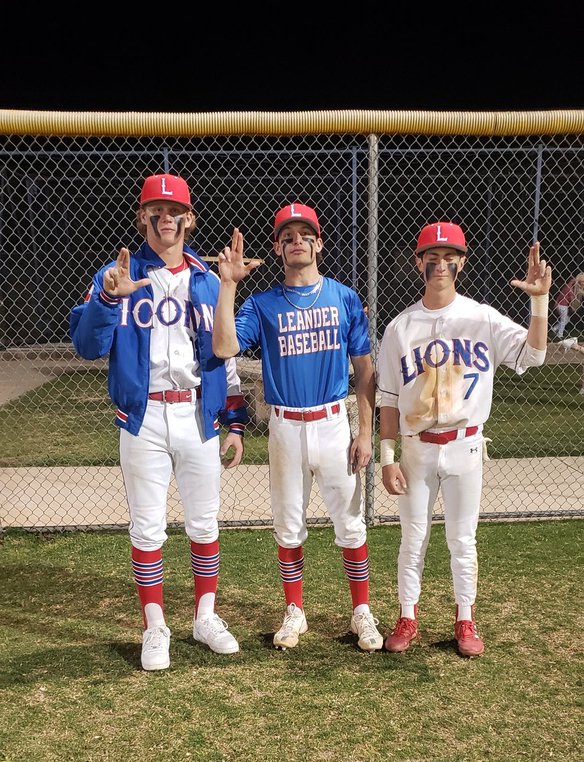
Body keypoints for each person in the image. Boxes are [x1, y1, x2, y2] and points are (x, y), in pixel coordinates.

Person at [70, 173, 248, 670]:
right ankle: (154, 626)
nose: (165, 217)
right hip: (144, 414)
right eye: (155, 209)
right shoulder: (117, 273)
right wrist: (109, 298)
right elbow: (87, 346)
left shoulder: (210, 280)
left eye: (174, 210)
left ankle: (205, 616)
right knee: (147, 529)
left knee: (204, 521)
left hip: (196, 412)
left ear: (189, 219)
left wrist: (234, 420)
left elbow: (225, 358)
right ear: (141, 216)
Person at [211, 203, 383, 652]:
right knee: (288, 526)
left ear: (319, 243)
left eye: (305, 234)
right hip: (285, 425)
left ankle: (361, 611)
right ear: (277, 248)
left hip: (332, 421)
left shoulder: (345, 298)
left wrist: (365, 433)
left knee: (350, 523)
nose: (297, 241)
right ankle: (295, 610)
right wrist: (228, 285)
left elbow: (365, 372)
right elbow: (225, 345)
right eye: (287, 236)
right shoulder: (263, 304)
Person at [377, 221, 551, 657]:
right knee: (412, 538)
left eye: (449, 256)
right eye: (431, 257)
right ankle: (408, 614)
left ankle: (465, 616)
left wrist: (541, 301)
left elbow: (534, 353)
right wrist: (387, 455)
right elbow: (389, 398)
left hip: (466, 444)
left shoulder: (482, 317)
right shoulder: (401, 327)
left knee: (462, 539)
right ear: (418, 263)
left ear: (462, 261)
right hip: (417, 448)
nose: (440, 264)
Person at [552, 272, 584, 337]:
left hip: (561, 304)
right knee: (564, 319)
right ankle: (560, 334)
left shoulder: (570, 285)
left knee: (566, 319)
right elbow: (572, 297)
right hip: (562, 305)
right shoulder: (570, 287)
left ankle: (555, 328)